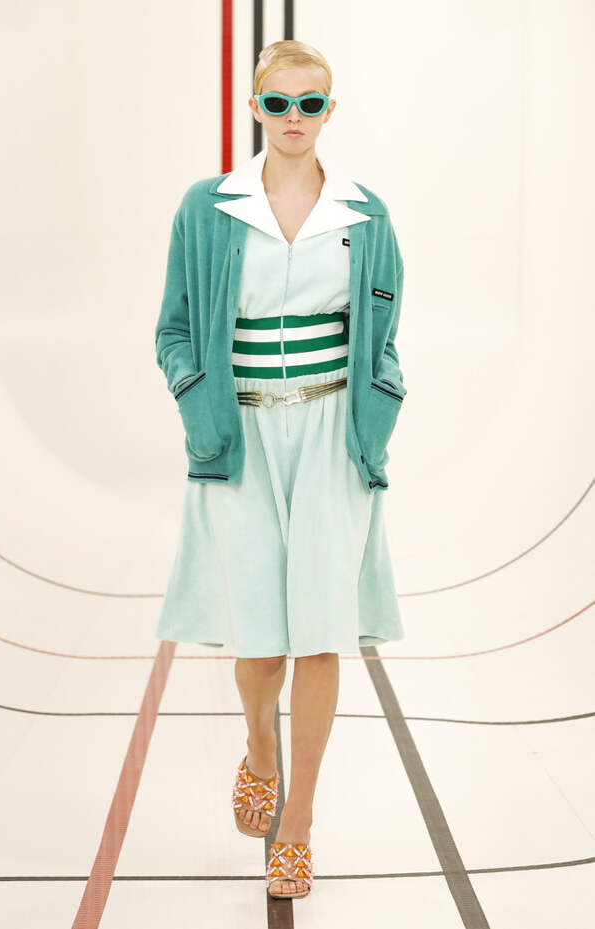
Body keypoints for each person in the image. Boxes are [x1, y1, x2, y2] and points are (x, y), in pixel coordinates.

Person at [154, 39, 407, 900]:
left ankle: (296, 824)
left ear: (330, 111)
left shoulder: (365, 213)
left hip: (333, 436)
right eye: (278, 103)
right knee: (261, 644)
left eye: (310, 103)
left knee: (322, 630)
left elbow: (384, 333)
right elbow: (174, 327)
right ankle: (260, 749)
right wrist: (197, 403)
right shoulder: (208, 207)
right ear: (255, 108)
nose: (293, 118)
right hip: (242, 436)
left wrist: (378, 417)